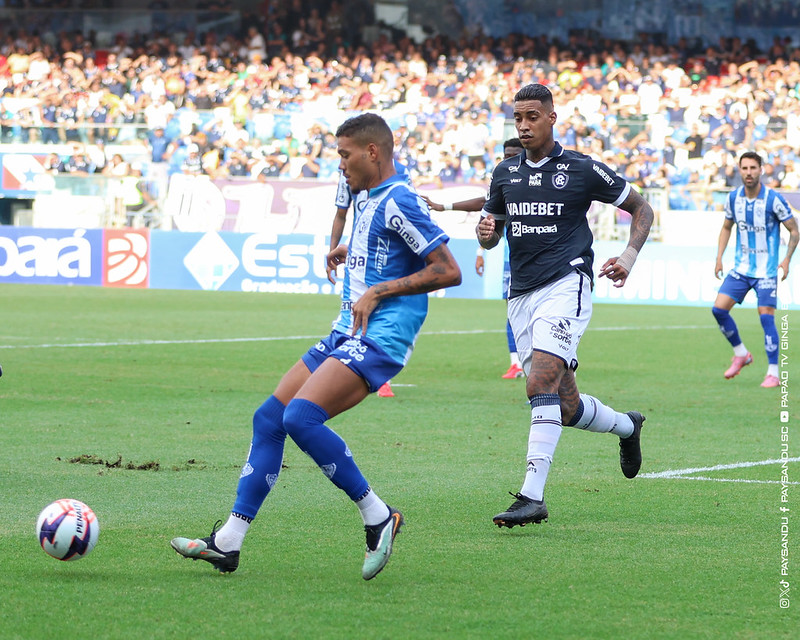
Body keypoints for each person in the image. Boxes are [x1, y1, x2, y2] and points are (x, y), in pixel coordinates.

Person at [171, 113, 462, 579]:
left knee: (300, 417)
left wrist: (378, 291)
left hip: (381, 337)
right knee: (269, 418)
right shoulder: (369, 197)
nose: (340, 164)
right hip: (346, 330)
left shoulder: (400, 200)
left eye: (345, 155)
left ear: (372, 152)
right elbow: (385, 254)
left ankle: (379, 515)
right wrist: (354, 255)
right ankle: (229, 541)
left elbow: (448, 270)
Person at [476, 84, 654, 528]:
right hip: (521, 294)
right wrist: (487, 236)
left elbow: (641, 208)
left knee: (539, 382)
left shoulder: (581, 169)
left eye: (532, 116)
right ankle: (628, 426)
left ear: (552, 117)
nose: (523, 124)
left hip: (567, 284)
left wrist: (629, 256)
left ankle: (532, 496)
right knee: (566, 404)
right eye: (518, 117)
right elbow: (494, 229)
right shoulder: (504, 173)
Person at [424, 138, 527, 379]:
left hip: (541, 257)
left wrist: (443, 206)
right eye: (506, 154)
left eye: (515, 153)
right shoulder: (502, 177)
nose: (509, 158)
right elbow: (488, 208)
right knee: (513, 310)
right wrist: (481, 251)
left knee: (533, 313)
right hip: (512, 256)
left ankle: (544, 366)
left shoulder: (536, 176)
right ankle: (518, 363)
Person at [326, 157, 412, 398]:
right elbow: (341, 214)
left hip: (384, 254)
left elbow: (409, 212)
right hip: (357, 254)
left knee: (378, 309)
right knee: (350, 311)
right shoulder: (348, 173)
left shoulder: (401, 173)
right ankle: (343, 366)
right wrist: (332, 249)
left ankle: (377, 373)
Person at [712, 151, 798, 388]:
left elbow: (794, 229)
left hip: (767, 270)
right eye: (745, 168)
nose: (749, 173)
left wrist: (787, 259)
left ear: (761, 170)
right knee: (718, 310)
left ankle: (773, 372)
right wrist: (719, 257)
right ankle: (741, 354)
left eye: (753, 168)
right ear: (739, 171)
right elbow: (726, 227)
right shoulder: (733, 198)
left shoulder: (773, 199)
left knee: (766, 319)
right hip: (741, 268)